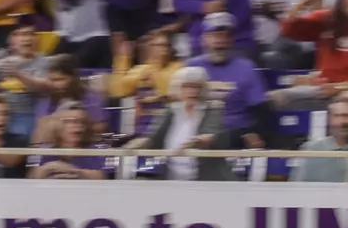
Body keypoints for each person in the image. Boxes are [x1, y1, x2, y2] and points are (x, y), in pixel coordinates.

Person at [129, 65, 239, 181]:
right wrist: (137, 143)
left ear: (202, 89)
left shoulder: (213, 110)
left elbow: (213, 136)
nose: (192, 91)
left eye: (196, 87)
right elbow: (153, 137)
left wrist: (197, 141)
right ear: (178, 88)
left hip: (204, 178)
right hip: (170, 177)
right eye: (187, 86)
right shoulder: (170, 110)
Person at [186, 12, 271, 145]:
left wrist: (254, 133)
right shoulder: (191, 67)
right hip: (197, 132)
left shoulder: (247, 67)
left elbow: (261, 111)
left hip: (236, 136)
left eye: (226, 36)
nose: (221, 41)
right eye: (215, 35)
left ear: (232, 41)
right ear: (203, 39)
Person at [107, 27, 182, 137]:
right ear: (149, 48)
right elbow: (118, 91)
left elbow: (166, 91)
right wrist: (122, 58)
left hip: (171, 124)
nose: (162, 49)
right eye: (157, 45)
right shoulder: (141, 70)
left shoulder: (179, 68)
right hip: (144, 127)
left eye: (165, 45)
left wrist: (152, 73)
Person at [295, 96, 348, 182]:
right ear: (329, 119)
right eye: (340, 116)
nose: (347, 121)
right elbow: (297, 185)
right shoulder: (311, 149)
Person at [29, 101, 110, 178]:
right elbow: (31, 178)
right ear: (57, 125)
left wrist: (73, 171)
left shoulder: (93, 151)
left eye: (81, 121)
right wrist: (47, 168)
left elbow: (102, 177)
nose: (77, 125)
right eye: (69, 121)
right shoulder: (47, 150)